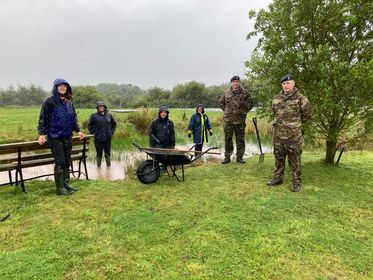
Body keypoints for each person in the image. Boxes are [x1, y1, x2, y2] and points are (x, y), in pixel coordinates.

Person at [37, 78, 84, 195]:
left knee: (67, 161)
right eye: (60, 86)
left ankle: (66, 183)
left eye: (65, 86)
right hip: (54, 136)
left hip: (67, 136)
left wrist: (78, 131)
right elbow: (43, 118)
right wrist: (42, 134)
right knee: (60, 162)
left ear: (67, 88)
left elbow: (74, 118)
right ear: (56, 88)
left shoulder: (69, 102)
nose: (62, 88)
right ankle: (60, 187)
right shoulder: (50, 101)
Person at [267, 74, 311, 192]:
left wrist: (295, 124)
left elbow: (307, 115)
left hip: (293, 135)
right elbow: (275, 113)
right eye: (284, 83)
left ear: (293, 83)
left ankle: (296, 182)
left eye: (288, 83)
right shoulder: (277, 98)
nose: (286, 85)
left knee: (295, 159)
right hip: (279, 135)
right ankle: (278, 178)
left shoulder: (301, 98)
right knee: (278, 158)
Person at [219, 75, 254, 164]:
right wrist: (227, 112)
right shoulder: (226, 93)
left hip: (240, 121)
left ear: (239, 83)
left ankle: (240, 157)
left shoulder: (245, 93)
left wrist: (243, 112)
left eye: (237, 82)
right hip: (228, 121)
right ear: (231, 83)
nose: (236, 83)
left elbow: (251, 103)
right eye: (234, 82)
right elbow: (221, 103)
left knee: (240, 139)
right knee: (228, 139)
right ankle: (227, 157)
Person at [88, 101, 117, 168]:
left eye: (102, 106)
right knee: (99, 154)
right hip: (98, 139)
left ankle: (108, 168)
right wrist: (93, 133)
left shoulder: (109, 115)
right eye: (100, 106)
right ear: (98, 108)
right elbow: (89, 125)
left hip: (107, 138)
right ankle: (98, 169)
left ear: (104, 107)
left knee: (107, 154)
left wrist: (111, 132)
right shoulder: (93, 116)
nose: (101, 107)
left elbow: (114, 124)